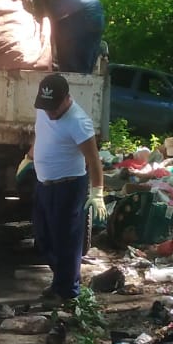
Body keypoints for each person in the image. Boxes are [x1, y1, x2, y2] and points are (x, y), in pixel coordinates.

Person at [29, 74, 107, 302]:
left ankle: (67, 292)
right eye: (46, 107)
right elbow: (40, 133)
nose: (50, 113)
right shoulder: (43, 109)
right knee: (43, 238)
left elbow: (94, 160)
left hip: (69, 187)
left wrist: (97, 192)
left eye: (54, 107)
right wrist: (29, 156)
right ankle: (63, 280)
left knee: (66, 241)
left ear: (66, 99)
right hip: (44, 184)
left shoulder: (79, 121)